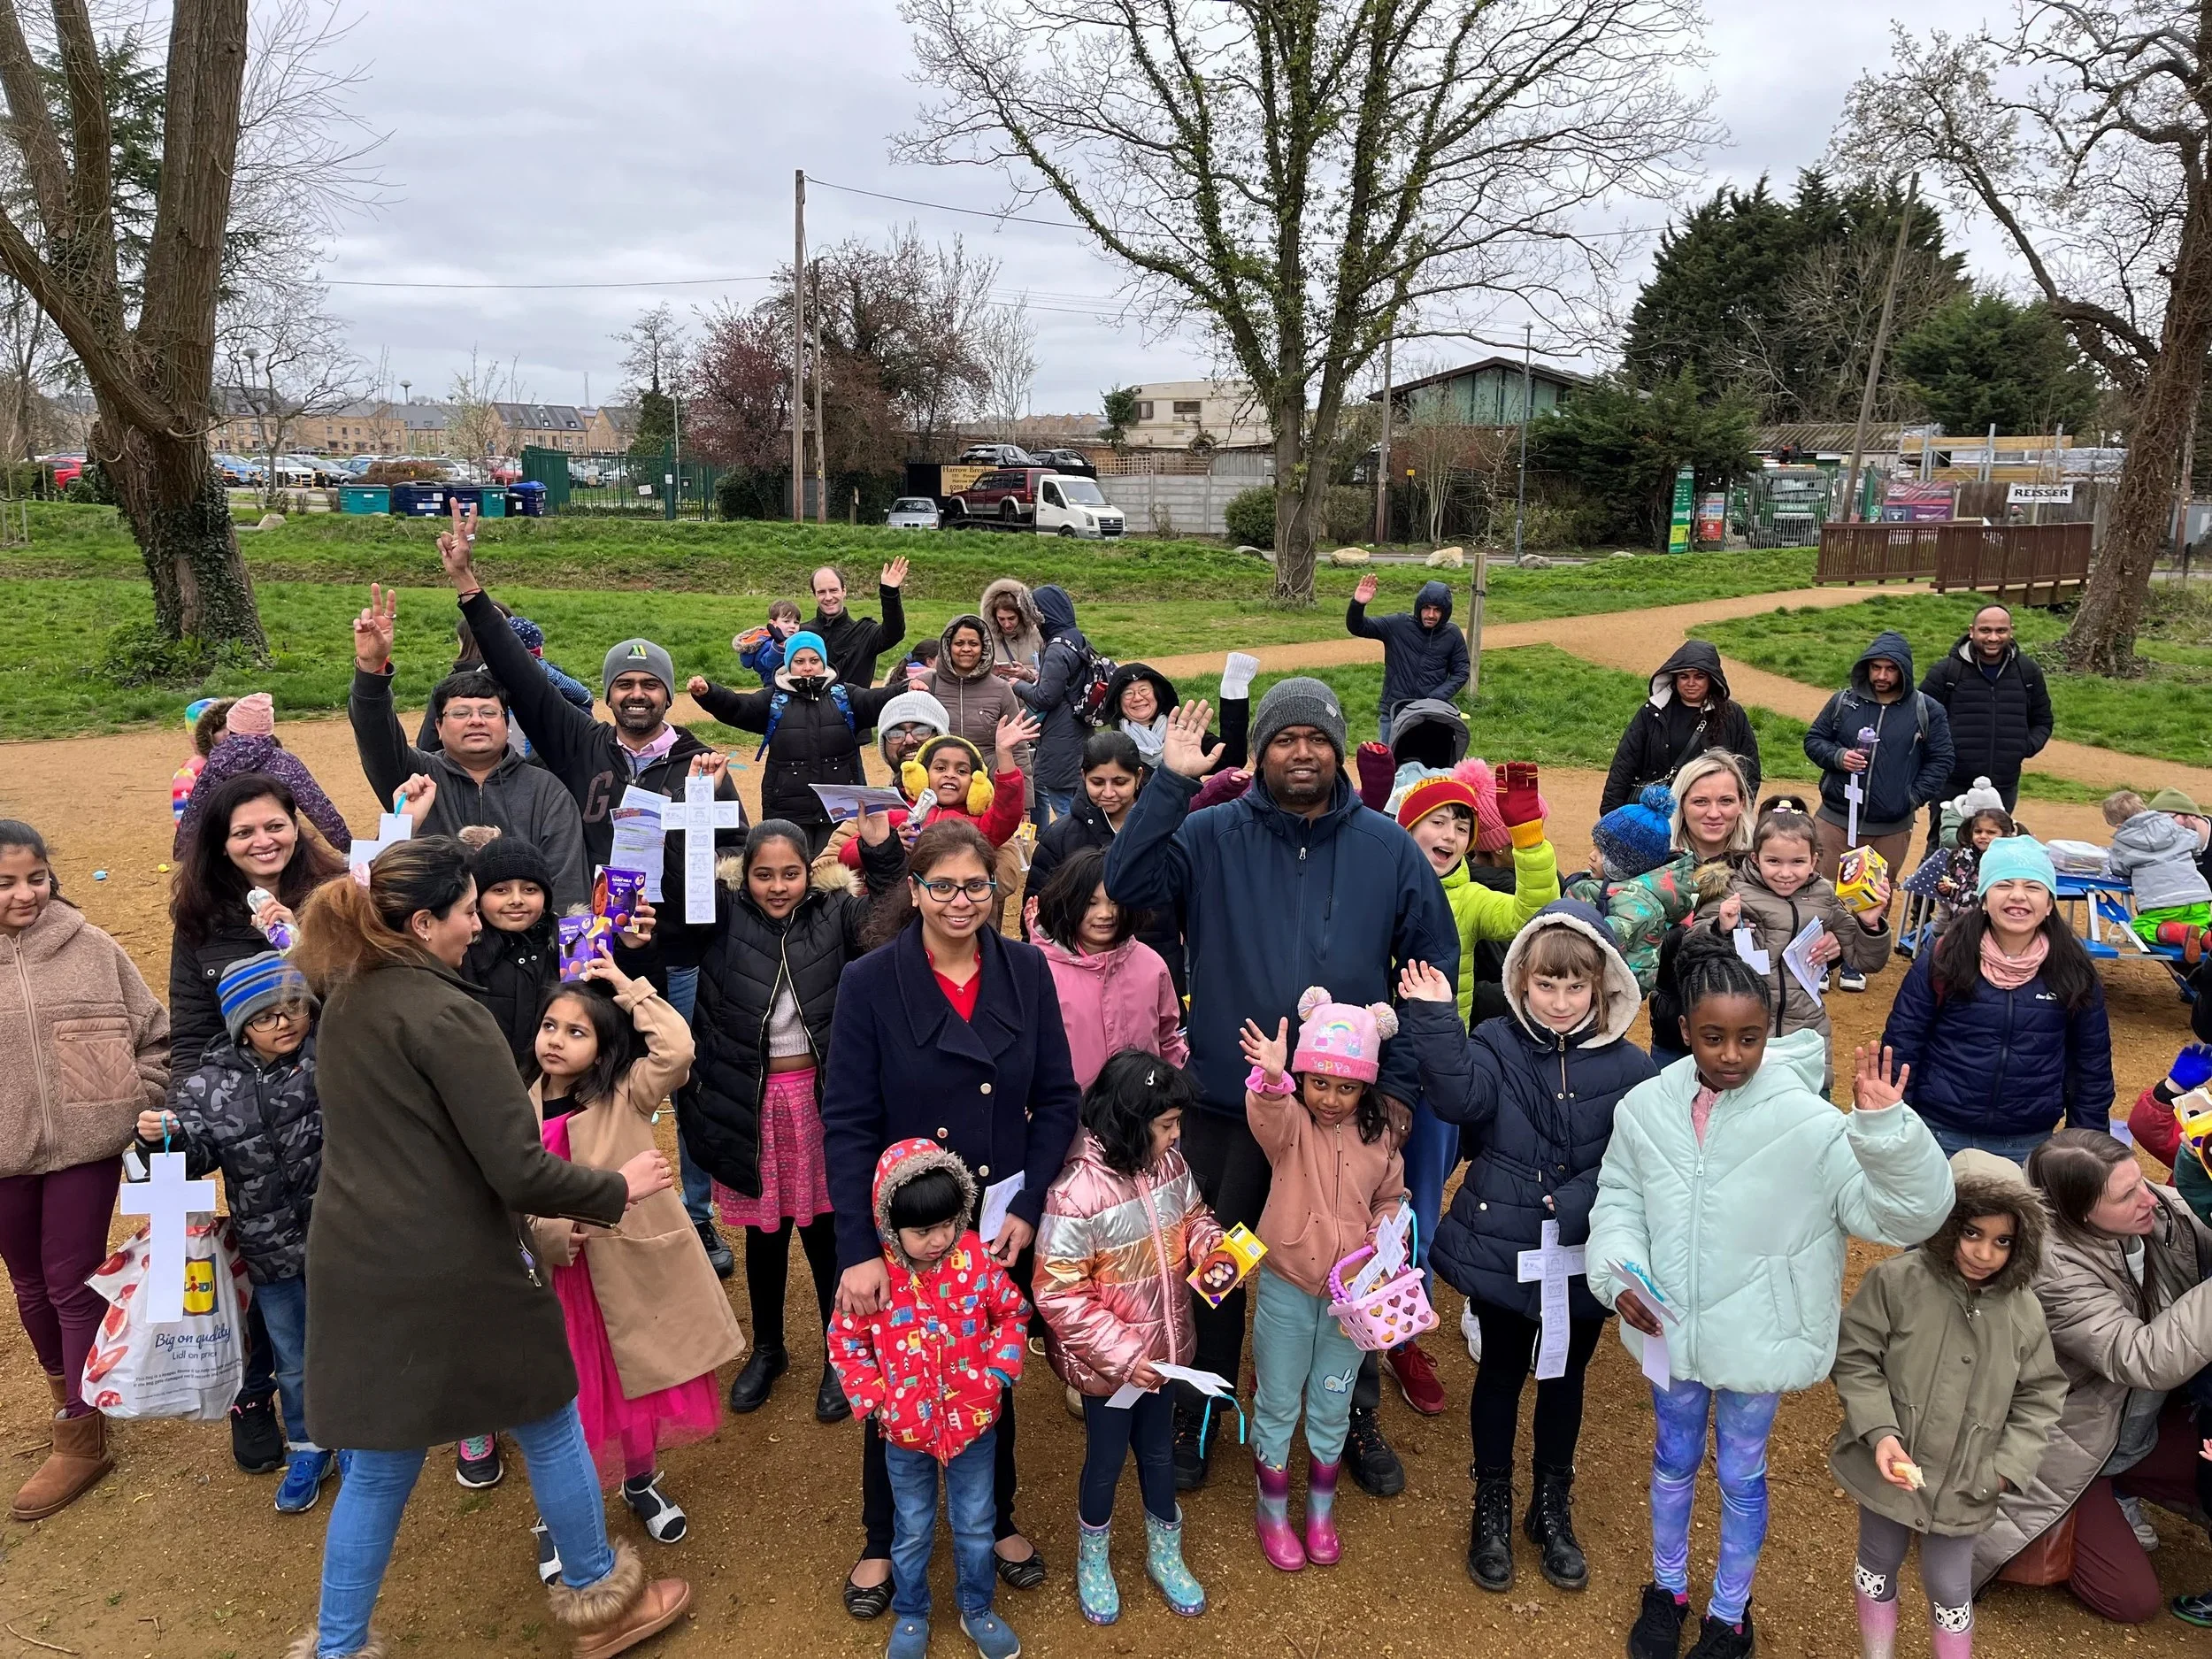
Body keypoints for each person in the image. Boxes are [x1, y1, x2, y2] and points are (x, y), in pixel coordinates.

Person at [288, 836, 687, 1659]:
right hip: (455, 1262)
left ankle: (338, 1647)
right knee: (548, 1418)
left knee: (380, 1462)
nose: (477, 925)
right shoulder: (446, 1013)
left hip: (358, 1258)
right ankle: (602, 1605)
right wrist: (618, 1188)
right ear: (425, 920)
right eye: (467, 911)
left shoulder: (350, 995)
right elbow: (517, 1168)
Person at [1105, 681, 1459, 1498]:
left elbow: (1429, 966)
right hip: (1235, 1107)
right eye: (1284, 737)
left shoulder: (1388, 848)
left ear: (1338, 748)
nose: (1302, 751)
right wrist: (1170, 781)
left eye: (1317, 737)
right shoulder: (1209, 833)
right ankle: (1205, 1401)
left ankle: (1355, 1406)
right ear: (1260, 750)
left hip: (1348, 1115)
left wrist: (1397, 1088)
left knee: (1354, 1265)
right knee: (1222, 1262)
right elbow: (1127, 886)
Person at [1588, 935, 1953, 1659]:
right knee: (1671, 1457)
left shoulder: (1813, 1124)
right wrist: (1620, 1273)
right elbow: (1618, 1200)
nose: (1731, 1053)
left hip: (1762, 1334)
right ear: (1684, 1029)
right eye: (1714, 1036)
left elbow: (1908, 1217)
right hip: (1669, 1329)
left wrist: (1886, 1130)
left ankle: (1730, 1612)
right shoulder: (1643, 1109)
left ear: (1770, 1034)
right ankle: (1667, 1588)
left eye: (1749, 1037)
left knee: (1741, 1472)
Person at [437, 520, 742, 1271]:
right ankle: (586, 1198)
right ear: (608, 694)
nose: (637, 694)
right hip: (593, 950)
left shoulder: (703, 764)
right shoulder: (581, 744)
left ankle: (693, 1213)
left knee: (689, 1078)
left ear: (668, 694)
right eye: (624, 684)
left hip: (681, 952)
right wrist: (473, 592)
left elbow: (730, 870)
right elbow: (523, 677)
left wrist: (683, 894)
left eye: (650, 684)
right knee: (591, 1081)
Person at [821, 819, 1083, 1617]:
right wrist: (860, 1248)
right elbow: (849, 1122)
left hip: (995, 1216)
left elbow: (1059, 1099)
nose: (960, 900)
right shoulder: (870, 981)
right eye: (943, 886)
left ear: (995, 891)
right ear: (915, 889)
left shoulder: (1027, 971)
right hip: (905, 1225)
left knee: (985, 1370)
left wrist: (1032, 1204)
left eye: (976, 885)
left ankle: (995, 1515)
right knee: (899, 1374)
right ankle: (880, 1535)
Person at [1400, 901, 1655, 1595]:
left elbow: (1638, 1159)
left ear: (1601, 986)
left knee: (1566, 1377)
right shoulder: (1493, 1041)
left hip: (1584, 1250)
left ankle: (1551, 1502)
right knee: (1502, 1372)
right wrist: (1430, 1015)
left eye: (1576, 987)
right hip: (1506, 1245)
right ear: (1521, 982)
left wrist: (1577, 1203)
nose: (1562, 1001)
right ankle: (1492, 1500)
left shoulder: (1631, 1067)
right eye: (1547, 985)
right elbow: (1458, 1097)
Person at [684, 803, 905, 1422]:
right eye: (764, 874)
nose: (778, 886)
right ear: (743, 874)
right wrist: (698, 813)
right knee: (763, 1233)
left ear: (811, 872)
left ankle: (843, 1348)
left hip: (821, 1100)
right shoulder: (722, 915)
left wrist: (881, 847)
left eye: (790, 873)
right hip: (747, 1101)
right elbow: (679, 897)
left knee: (827, 1231)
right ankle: (769, 1346)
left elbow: (895, 916)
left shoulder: (838, 912)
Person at [523, 946, 741, 1571]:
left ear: (605, 1042)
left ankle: (638, 1478)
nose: (557, 1041)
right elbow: (515, 1194)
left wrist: (624, 982)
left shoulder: (628, 1092)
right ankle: (558, 1512)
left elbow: (677, 1049)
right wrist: (555, 1231)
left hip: (630, 1272)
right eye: (549, 1026)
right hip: (564, 1277)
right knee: (574, 1396)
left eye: (576, 1030)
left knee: (634, 1384)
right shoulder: (518, 1108)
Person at [168, 773, 348, 1476]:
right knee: (272, 1275)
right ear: (220, 843)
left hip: (329, 1107)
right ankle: (262, 1399)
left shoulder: (336, 893)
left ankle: (368, 1412)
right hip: (244, 1122)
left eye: (273, 824)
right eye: (243, 831)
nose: (261, 840)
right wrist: (192, 1116)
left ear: (294, 824)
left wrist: (303, 936)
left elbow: (361, 992)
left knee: (343, 1278)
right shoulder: (202, 917)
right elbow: (190, 1032)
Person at [1831, 1148, 2066, 1659]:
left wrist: (2004, 1469)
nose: (1984, 1254)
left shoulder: (2023, 1312)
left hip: (1969, 1481)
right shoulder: (1895, 1282)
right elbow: (1854, 1357)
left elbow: (2042, 1395)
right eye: (1972, 1233)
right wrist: (1880, 1432)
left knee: (1950, 1586)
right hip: (1889, 1466)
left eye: (2003, 1241)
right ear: (1945, 1224)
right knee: (1877, 1560)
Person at [1970, 1131, 2212, 1625]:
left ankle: (2124, 1484)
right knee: (2130, 1600)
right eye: (2125, 1197)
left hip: (2136, 1424)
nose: (2150, 1197)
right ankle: (2070, 1509)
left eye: (2139, 1180)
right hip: (2071, 1440)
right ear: (2078, 1214)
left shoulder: (2155, 1210)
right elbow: (2140, 1357)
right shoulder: (2049, 1269)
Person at [0, 820, 167, 1521]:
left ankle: (81, 1429)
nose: (26, 893)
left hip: (87, 1147)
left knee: (70, 1278)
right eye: (6, 882)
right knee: (29, 1282)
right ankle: (68, 1388)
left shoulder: (92, 948)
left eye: (36, 877)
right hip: (5, 1154)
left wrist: (139, 1100)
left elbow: (156, 1035)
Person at [136, 951, 327, 1513]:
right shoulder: (206, 1087)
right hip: (268, 1252)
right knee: (292, 1357)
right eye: (267, 1015)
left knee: (357, 1338)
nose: (286, 1022)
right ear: (240, 1024)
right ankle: (309, 1445)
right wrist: (160, 1140)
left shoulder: (330, 1060)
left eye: (296, 1007)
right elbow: (193, 1159)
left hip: (344, 1238)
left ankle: (371, 1437)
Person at [1035, 1052, 1219, 1624]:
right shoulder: (1075, 1193)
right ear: (1131, 1122)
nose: (1176, 1134)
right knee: (1107, 1459)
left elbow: (1194, 1217)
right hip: (1111, 1368)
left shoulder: (1171, 1166)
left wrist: (1210, 1245)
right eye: (1166, 1125)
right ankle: (1094, 1558)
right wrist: (1125, 1354)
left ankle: (1165, 1553)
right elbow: (1058, 1292)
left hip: (1166, 1360)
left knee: (1160, 1452)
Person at [828, 1141, 1029, 1659]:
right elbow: (845, 1342)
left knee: (977, 1525)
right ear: (889, 1225)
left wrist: (998, 1371)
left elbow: (1012, 1312)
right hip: (903, 1435)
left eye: (947, 1224)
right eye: (922, 1231)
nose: (938, 1240)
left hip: (974, 1426)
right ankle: (912, 1615)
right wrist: (875, 1401)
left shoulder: (977, 1263)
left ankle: (977, 1609)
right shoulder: (874, 1280)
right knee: (912, 1529)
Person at [1238, 993, 1409, 1571]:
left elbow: (1391, 1197)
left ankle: (1319, 1507)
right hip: (1287, 1288)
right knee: (1280, 1398)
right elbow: (1269, 1113)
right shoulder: (1292, 1126)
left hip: (1352, 1300)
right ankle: (1272, 1507)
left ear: (1366, 1087)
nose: (1330, 1099)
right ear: (1304, 1077)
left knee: (1334, 1402)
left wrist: (1388, 1237)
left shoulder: (1380, 1133)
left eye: (1347, 1087)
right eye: (1319, 1083)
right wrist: (1272, 1077)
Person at [348, 583, 590, 911]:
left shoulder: (546, 791)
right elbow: (374, 734)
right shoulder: (416, 780)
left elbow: (567, 888)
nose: (476, 721)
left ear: (507, 723)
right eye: (460, 713)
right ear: (438, 725)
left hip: (525, 951)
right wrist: (372, 670)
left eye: (489, 713)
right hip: (433, 945)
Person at [1880, 837, 2114, 1161]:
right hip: (1936, 1133)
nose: (2018, 896)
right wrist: (1894, 1123)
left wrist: (2086, 1149)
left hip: (2025, 1142)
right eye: (2004, 884)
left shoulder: (2073, 969)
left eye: (2033, 887)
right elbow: (1903, 1042)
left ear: (2049, 904)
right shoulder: (1944, 957)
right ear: (1984, 899)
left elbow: (2092, 1065)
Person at [1705, 806, 1893, 1084]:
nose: (1785, 873)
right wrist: (1720, 926)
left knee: (1809, 1113)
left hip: (1806, 1030)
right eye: (1773, 861)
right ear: (1755, 858)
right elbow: (1695, 941)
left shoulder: (1825, 896)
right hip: (1745, 1031)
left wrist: (1869, 923)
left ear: (1814, 860)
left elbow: (1868, 961)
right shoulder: (1735, 891)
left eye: (1797, 862)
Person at [687, 630, 910, 855]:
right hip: (786, 808)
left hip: (840, 809)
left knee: (834, 869)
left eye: (814, 661)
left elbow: (878, 700)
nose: (807, 667)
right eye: (799, 661)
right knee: (791, 870)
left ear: (823, 663)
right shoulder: (774, 699)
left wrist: (906, 689)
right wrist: (709, 694)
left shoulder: (846, 696)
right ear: (788, 664)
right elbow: (738, 707)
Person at [1803, 629, 1955, 920]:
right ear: (1866, 667)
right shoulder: (1843, 702)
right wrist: (1838, 757)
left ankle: (1856, 964)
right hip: (1835, 819)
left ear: (1904, 672)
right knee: (1819, 895)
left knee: (1872, 901)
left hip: (1890, 828)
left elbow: (1942, 759)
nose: (1882, 676)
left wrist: (1910, 798)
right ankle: (1817, 960)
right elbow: (1814, 740)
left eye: (1890, 669)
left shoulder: (1927, 710)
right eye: (1876, 667)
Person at [1022, 733, 1176, 978]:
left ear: (1138, 776)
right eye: (1097, 782)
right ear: (1083, 777)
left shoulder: (1166, 830)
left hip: (1154, 963)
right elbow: (1041, 911)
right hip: (1079, 969)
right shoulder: (1061, 837)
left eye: (1119, 782)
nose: (1109, 792)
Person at [1032, 849, 1187, 1092]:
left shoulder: (1151, 965)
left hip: (1141, 1113)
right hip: (1068, 1116)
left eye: (1114, 902)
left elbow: (1168, 1038)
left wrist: (1175, 1088)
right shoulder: (1040, 971)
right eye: (1091, 903)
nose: (1105, 914)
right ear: (1069, 902)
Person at [1644, 751, 1756, 1064]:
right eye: (1701, 802)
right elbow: (1645, 957)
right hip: (1676, 1033)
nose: (1714, 813)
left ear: (1742, 805)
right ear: (1681, 805)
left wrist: (1828, 947)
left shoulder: (1767, 865)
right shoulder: (1654, 867)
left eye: (1726, 801)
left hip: (1752, 1035)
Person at [1917, 603, 2054, 836]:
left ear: (2011, 631)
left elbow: (2043, 720)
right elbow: (1919, 719)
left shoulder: (2027, 672)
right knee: (1944, 849)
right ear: (1972, 631)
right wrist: (1943, 755)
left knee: (1995, 847)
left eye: (2001, 631)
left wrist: (2023, 747)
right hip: (1952, 781)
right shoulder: (1946, 672)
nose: (1993, 637)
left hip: (2003, 784)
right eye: (1985, 630)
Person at [835, 716, 1035, 874]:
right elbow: (846, 855)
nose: (950, 774)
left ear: (976, 785)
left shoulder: (979, 826)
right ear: (922, 775)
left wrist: (1004, 753)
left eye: (962, 771)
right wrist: (884, 846)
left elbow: (1008, 813)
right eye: (940, 768)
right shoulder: (896, 813)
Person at [1562, 785, 1703, 995]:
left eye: (1602, 853)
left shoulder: (1640, 902)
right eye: (1595, 846)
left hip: (1616, 988)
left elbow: (1609, 935)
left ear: (1627, 865)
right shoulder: (1614, 881)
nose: (1592, 856)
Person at [176, 691, 354, 856]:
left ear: (231, 727)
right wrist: (348, 846)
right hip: (272, 844)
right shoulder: (283, 761)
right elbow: (318, 807)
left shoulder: (215, 762)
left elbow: (195, 809)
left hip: (230, 845)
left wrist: (184, 852)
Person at [812, 689, 950, 889]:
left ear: (940, 736)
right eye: (895, 733)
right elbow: (822, 868)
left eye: (921, 731)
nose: (909, 740)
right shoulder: (874, 808)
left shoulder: (972, 797)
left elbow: (1005, 873)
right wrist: (877, 851)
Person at [1601, 642, 1762, 813]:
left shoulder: (1732, 714)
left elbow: (1748, 769)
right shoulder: (1654, 711)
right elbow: (1624, 764)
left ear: (1711, 679)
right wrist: (1610, 813)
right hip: (1659, 812)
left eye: (1699, 676)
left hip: (1710, 814)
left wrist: (1738, 811)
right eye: (1684, 676)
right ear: (1675, 678)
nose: (1691, 683)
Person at [463, 834, 565, 1069]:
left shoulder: (570, 946)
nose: (516, 900)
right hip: (485, 1084)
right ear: (477, 899)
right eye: (500, 890)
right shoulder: (462, 952)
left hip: (554, 1088)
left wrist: (635, 950)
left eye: (530, 889)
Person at [1345, 573, 1470, 741]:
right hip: (1394, 711)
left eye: (1437, 610)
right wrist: (1358, 604)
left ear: (1445, 612)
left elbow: (1461, 671)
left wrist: (1436, 697)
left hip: (1430, 714)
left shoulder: (1452, 634)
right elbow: (1358, 627)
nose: (1431, 615)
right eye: (1427, 608)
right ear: (1419, 607)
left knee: (1429, 765)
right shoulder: (1398, 625)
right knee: (1389, 765)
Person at [1008, 584, 1095, 823]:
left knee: (1066, 807)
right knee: (1078, 801)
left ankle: (1076, 854)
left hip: (1061, 735)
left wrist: (1017, 684)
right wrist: (1030, 677)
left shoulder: (1056, 647)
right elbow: (1067, 683)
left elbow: (1046, 698)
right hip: (1078, 729)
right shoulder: (1076, 637)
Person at [2101, 788, 2212, 956]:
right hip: (2198, 897)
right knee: (2201, 926)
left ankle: (2181, 933)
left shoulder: (2123, 841)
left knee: (2140, 928)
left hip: (2162, 901)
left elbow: (2119, 868)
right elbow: (2194, 842)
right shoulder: (2173, 827)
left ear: (2119, 826)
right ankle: (2207, 939)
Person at [1100, 658, 1255, 774]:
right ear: (1118, 703)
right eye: (1128, 693)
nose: (1138, 698)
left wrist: (1233, 692)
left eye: (1144, 690)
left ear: (1158, 694)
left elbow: (1231, 761)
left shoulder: (1184, 733)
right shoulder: (1112, 745)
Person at [1901, 804, 2015, 934]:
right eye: (1978, 831)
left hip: (1992, 924)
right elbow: (1954, 884)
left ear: (2006, 835)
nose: (1983, 836)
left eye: (1991, 832)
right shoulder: (1961, 855)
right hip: (1958, 920)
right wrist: (1944, 889)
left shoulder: (2009, 862)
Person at [926, 614, 1025, 756]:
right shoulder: (927, 683)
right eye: (959, 643)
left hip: (989, 775)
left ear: (984, 648)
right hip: (941, 775)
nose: (966, 649)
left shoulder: (1001, 688)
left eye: (973, 644)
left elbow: (1017, 748)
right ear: (948, 646)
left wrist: (1024, 778)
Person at [809, 560, 910, 692]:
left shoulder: (865, 633)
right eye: (822, 592)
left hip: (854, 710)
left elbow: (894, 632)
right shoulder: (804, 634)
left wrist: (890, 593)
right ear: (814, 594)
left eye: (833, 590)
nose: (828, 597)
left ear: (844, 591)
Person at [981, 579, 1045, 676]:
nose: (1007, 624)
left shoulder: (1038, 634)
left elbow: (1050, 674)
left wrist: (1027, 674)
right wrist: (990, 671)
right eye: (1001, 619)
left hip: (1032, 689)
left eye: (1011, 618)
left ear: (1022, 615)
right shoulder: (987, 639)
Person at [734, 599, 803, 687]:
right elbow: (771, 664)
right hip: (775, 688)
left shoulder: (793, 641)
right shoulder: (766, 643)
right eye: (787, 621)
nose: (793, 626)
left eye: (796, 623)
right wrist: (779, 646)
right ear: (773, 624)